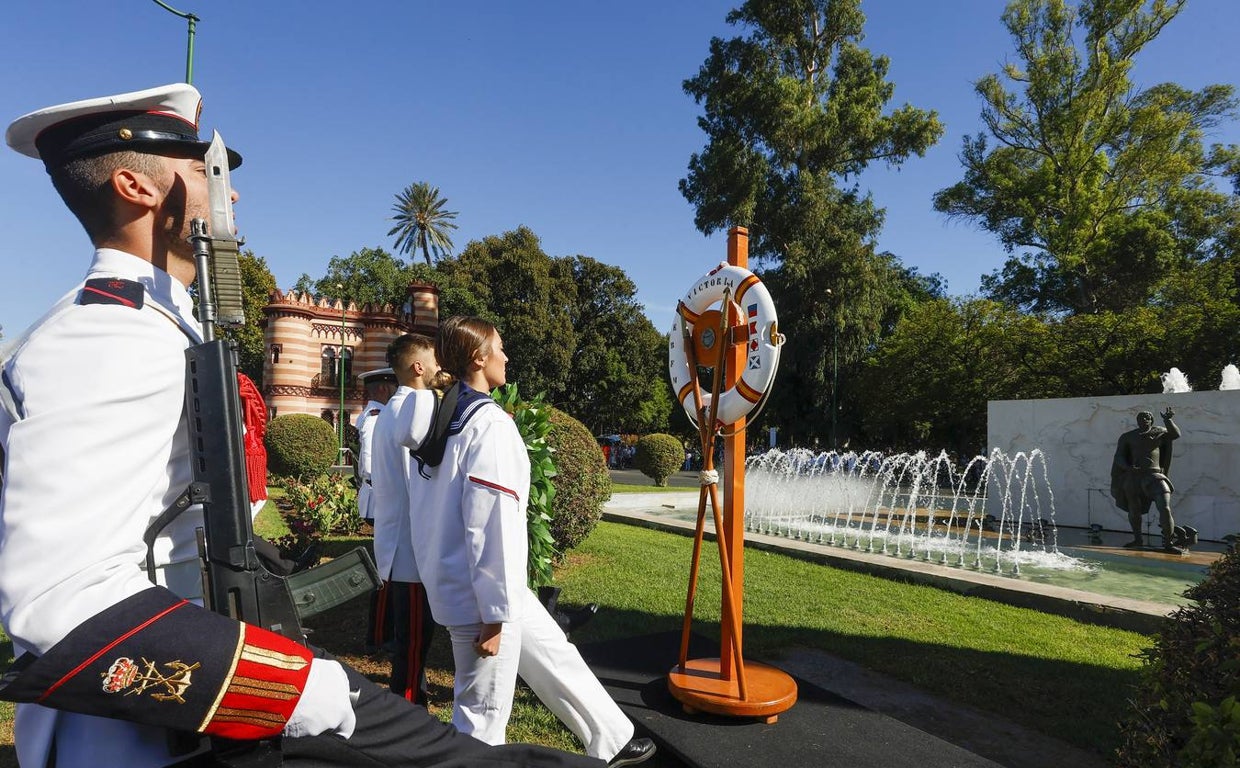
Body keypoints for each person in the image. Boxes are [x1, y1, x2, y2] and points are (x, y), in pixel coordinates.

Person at [0, 82, 603, 768]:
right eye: (207, 172)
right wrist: (295, 686)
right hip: (131, 737)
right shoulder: (105, 337)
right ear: (140, 187)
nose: (232, 195)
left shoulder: (156, 325)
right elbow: (62, 597)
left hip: (193, 710)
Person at [394, 316, 656, 767]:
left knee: (554, 654)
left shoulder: (445, 419)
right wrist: (494, 615)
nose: (506, 356)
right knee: (481, 717)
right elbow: (490, 523)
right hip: (482, 596)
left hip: (473, 583)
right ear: (479, 358)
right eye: (499, 347)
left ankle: (612, 739)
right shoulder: (488, 424)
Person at [370, 334, 441, 705]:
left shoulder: (390, 408)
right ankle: (409, 711)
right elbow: (422, 482)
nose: (439, 367)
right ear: (418, 367)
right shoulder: (419, 402)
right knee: (413, 643)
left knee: (410, 640)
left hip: (396, 541)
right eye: (434, 360)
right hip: (412, 546)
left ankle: (411, 700)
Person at [1111, 407, 1184, 554]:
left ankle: (1168, 543)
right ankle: (1138, 539)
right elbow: (1119, 457)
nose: (1143, 420)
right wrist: (1128, 467)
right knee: (1134, 510)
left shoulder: (1160, 433)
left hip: (1155, 476)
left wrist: (1168, 420)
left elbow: (1176, 434)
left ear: (1151, 420)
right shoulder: (1127, 437)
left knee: (1164, 507)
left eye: (1146, 418)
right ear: (1137, 421)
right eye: (1140, 418)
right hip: (1134, 478)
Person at [355, 368, 398, 525]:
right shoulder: (376, 417)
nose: (397, 391)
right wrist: (379, 484)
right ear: (383, 388)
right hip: (379, 495)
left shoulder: (375, 414)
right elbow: (368, 455)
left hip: (378, 493)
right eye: (395, 386)